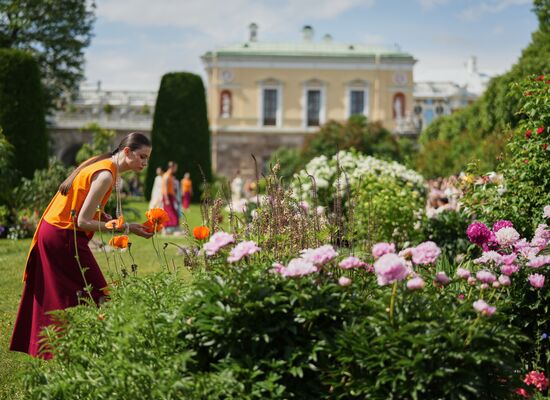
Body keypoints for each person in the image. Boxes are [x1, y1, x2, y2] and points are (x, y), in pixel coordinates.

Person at [10, 132, 154, 359]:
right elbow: (82, 221)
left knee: (63, 294)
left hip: (57, 231)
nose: (145, 163)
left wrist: (122, 223)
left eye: (147, 158)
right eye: (142, 157)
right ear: (126, 152)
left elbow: (86, 208)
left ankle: (59, 350)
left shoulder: (105, 165)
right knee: (99, 294)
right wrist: (123, 228)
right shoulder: (107, 174)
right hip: (63, 235)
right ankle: (114, 349)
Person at [162, 161, 179, 230]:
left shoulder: (170, 176)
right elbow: (165, 188)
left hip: (171, 196)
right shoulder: (166, 176)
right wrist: (166, 199)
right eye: (175, 167)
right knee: (169, 212)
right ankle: (169, 227)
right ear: (172, 167)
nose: (176, 169)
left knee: (173, 211)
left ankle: (171, 227)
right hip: (167, 197)